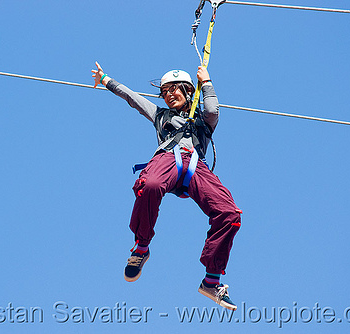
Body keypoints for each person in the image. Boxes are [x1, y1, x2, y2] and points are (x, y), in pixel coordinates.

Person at [91, 62, 242, 310]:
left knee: (230, 214)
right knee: (148, 185)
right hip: (167, 158)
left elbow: (213, 110)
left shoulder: (204, 121)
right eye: (165, 91)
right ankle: (141, 247)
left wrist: (206, 83)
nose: (170, 94)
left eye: (175, 89)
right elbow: (133, 99)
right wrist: (107, 80)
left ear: (187, 90)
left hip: (196, 166)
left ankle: (212, 281)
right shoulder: (161, 115)